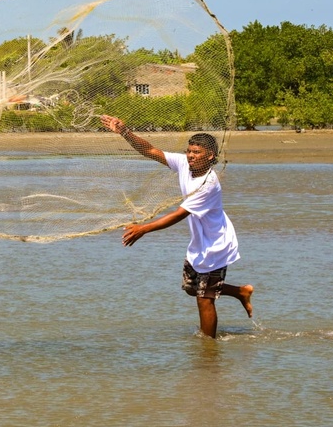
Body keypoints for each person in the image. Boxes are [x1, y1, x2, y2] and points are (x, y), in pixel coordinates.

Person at [100, 115, 253, 338]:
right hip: (199, 242)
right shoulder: (184, 164)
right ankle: (241, 291)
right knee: (192, 288)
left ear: (210, 156)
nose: (190, 156)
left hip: (217, 244)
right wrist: (124, 132)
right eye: (189, 151)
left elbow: (179, 214)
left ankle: (208, 349)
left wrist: (144, 229)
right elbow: (151, 151)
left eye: (196, 153)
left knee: (204, 298)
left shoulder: (208, 184)